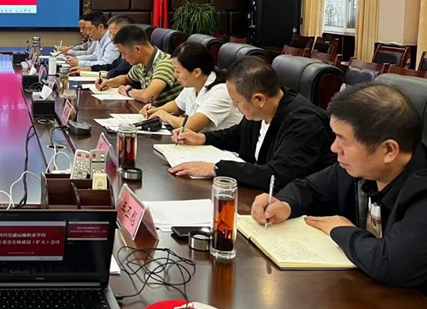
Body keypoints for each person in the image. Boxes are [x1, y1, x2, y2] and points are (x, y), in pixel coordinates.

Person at [251, 83, 427, 293]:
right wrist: (284, 204)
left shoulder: (421, 189)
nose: (334, 148)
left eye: (343, 140)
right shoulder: (357, 168)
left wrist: (341, 230)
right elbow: (308, 188)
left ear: (389, 150)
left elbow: (390, 264)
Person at [169, 57, 335, 188]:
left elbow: (278, 175)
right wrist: (203, 138)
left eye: (237, 101)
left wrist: (216, 168)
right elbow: (238, 134)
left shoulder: (304, 122)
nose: (235, 106)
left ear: (259, 99)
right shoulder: (262, 110)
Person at [141, 42, 242, 134]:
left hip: (219, 147)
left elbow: (191, 126)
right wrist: (156, 110)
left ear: (196, 72)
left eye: (178, 71)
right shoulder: (193, 83)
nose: (175, 75)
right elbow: (177, 105)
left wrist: (165, 116)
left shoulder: (221, 92)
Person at [98, 25, 182, 105]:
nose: (123, 58)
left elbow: (148, 96)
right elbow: (127, 78)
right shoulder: (141, 63)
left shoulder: (165, 63)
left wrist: (128, 91)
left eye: (124, 53)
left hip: (168, 114)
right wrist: (108, 82)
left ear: (137, 49)